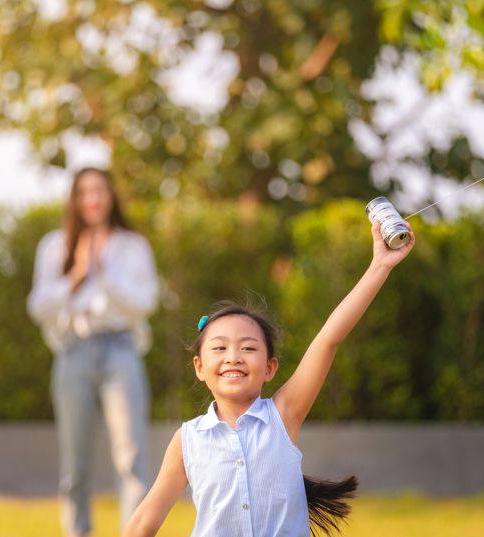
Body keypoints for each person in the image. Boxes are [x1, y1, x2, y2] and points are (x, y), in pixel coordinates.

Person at [123, 219, 415, 537]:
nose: (233, 356)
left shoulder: (283, 415)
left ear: (270, 368)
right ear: (199, 368)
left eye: (248, 348)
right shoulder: (188, 441)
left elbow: (329, 338)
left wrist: (380, 266)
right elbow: (143, 523)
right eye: (219, 347)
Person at [27, 167, 159, 537]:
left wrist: (103, 274)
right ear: (74, 199)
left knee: (132, 458)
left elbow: (146, 302)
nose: (93, 199)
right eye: (84, 191)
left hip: (121, 349)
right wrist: (77, 275)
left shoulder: (133, 245)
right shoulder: (54, 245)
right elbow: (38, 306)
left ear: (111, 195)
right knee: (75, 464)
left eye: (99, 190)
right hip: (73, 351)